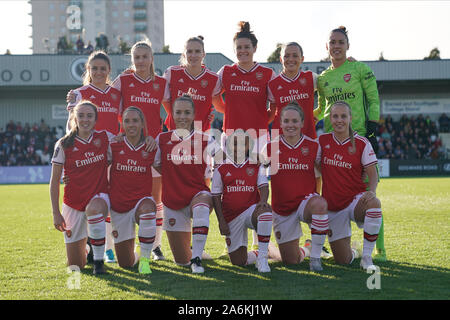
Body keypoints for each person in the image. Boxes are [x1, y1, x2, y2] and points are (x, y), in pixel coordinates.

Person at [315, 26, 386, 260]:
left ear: (347, 45)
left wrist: (373, 126)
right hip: (332, 143)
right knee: (335, 191)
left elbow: (373, 98)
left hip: (359, 140)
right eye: (332, 42)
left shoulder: (359, 69)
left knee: (369, 195)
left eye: (340, 42)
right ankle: (338, 240)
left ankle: (379, 250)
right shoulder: (323, 79)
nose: (336, 46)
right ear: (327, 47)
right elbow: (321, 108)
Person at [212, 21, 275, 250]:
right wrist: (226, 110)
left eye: (246, 47)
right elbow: (215, 98)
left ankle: (261, 242)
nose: (242, 51)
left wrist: (262, 120)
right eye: (239, 47)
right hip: (231, 138)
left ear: (255, 48)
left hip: (258, 138)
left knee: (259, 185)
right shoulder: (226, 72)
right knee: (232, 185)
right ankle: (235, 235)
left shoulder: (267, 73)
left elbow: (273, 107)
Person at [112, 39, 168, 260]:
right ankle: (111, 247)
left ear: (152, 59)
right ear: (132, 60)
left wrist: (160, 137)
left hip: (152, 148)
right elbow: (107, 100)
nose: (141, 61)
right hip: (127, 148)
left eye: (145, 57)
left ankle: (155, 246)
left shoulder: (162, 84)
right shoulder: (123, 80)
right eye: (137, 57)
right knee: (122, 198)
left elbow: (172, 113)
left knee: (155, 200)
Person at [66, 50, 122, 264]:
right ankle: (92, 244)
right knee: (88, 201)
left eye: (103, 68)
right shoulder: (79, 93)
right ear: (88, 70)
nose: (98, 72)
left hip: (110, 156)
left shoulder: (117, 94)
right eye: (94, 68)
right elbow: (70, 127)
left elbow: (124, 122)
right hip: (87, 158)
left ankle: (107, 247)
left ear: (109, 71)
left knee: (107, 200)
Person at [153, 95, 216, 273]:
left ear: (194, 115)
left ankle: (197, 258)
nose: (182, 116)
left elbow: (224, 162)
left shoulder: (206, 139)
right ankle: (193, 251)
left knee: (202, 206)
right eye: (178, 112)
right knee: (181, 262)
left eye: (187, 112)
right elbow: (156, 165)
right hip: (172, 200)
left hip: (198, 195)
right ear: (171, 114)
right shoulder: (162, 139)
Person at [317, 101, 382, 271]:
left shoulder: (361, 143)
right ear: (330, 118)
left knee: (374, 204)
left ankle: (367, 258)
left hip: (355, 201)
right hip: (333, 206)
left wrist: (372, 191)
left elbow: (372, 172)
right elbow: (315, 164)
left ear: (350, 118)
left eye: (343, 116)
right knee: (343, 260)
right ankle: (354, 252)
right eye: (335, 116)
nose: (339, 120)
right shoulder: (322, 141)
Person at [50, 101, 112, 275]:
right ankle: (86, 249)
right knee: (75, 266)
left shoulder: (105, 137)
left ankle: (99, 262)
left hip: (98, 197)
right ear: (75, 118)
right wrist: (56, 213)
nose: (85, 119)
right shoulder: (63, 144)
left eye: (89, 116)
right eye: (81, 115)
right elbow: (54, 181)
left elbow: (124, 152)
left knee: (95, 209)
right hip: (73, 202)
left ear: (96, 119)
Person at [265, 102, 329, 271]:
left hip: (305, 203)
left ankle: (315, 258)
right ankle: (304, 249)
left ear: (302, 123)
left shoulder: (313, 146)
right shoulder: (271, 147)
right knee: (291, 261)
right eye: (286, 121)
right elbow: (258, 178)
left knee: (320, 205)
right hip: (282, 208)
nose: (290, 125)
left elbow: (326, 174)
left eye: (295, 121)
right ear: (280, 123)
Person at [211, 130, 273, 273]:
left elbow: (264, 186)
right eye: (234, 143)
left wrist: (263, 201)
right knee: (239, 262)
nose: (238, 147)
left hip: (250, 211)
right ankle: (259, 254)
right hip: (231, 217)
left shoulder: (256, 164)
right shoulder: (220, 167)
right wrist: (221, 221)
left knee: (265, 212)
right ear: (228, 146)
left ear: (248, 146)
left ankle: (262, 259)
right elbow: (216, 196)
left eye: (242, 144)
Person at [108, 106, 157, 274]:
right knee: (125, 263)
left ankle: (145, 261)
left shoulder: (151, 147)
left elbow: (168, 170)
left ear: (142, 124)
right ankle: (136, 256)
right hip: (119, 206)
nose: (131, 125)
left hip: (141, 201)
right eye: (127, 121)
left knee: (149, 210)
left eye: (135, 120)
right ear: (123, 124)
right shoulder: (114, 145)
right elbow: (95, 165)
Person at [162, 36, 221, 132]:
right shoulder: (171, 72)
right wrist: (177, 117)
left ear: (203, 54)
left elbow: (217, 105)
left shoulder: (213, 78)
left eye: (197, 51)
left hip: (200, 131)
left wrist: (209, 114)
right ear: (184, 54)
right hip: (176, 129)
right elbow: (165, 101)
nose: (193, 55)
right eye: (189, 51)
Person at [268, 42, 318, 139]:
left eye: (295, 56)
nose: (291, 59)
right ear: (281, 59)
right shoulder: (272, 84)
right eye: (286, 56)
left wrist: (318, 115)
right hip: (278, 137)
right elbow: (271, 114)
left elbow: (332, 84)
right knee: (273, 154)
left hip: (308, 136)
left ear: (302, 59)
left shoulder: (311, 78)